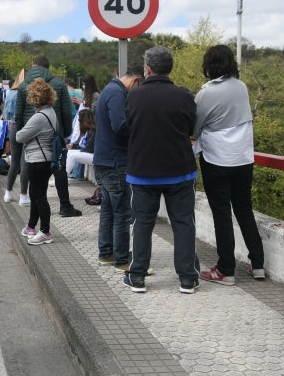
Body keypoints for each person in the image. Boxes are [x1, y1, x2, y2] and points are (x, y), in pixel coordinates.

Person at [124, 46, 200, 294]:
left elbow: (129, 127)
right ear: (170, 68)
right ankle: (187, 278)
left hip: (143, 171)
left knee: (143, 223)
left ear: (147, 69)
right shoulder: (184, 95)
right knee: (183, 223)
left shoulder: (134, 96)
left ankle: (137, 277)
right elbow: (191, 128)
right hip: (179, 170)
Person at [194, 45, 266, 285]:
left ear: (209, 65)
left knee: (222, 212)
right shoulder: (241, 87)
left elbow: (194, 129)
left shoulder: (206, 93)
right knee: (244, 208)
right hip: (243, 158)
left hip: (217, 158)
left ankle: (225, 269)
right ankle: (258, 264)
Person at [93, 66, 143, 273]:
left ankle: (106, 253)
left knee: (108, 211)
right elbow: (120, 126)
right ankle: (122, 259)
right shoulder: (116, 93)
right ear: (136, 80)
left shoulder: (109, 90)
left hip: (104, 160)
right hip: (116, 162)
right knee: (122, 212)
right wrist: (141, 129)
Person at [16, 56, 81, 217]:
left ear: (33, 66)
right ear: (48, 67)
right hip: (55, 132)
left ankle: (33, 209)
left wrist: (23, 132)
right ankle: (65, 206)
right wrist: (66, 133)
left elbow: (18, 114)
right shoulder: (59, 84)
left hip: (31, 135)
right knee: (59, 169)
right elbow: (67, 111)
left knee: (33, 171)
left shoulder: (24, 85)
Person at [15, 79, 60, 245]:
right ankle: (31, 226)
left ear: (35, 97)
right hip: (45, 158)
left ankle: (46, 231)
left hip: (38, 159)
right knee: (35, 194)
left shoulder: (39, 117)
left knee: (39, 196)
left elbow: (19, 136)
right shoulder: (50, 111)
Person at [4, 73, 30, 205]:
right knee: (24, 161)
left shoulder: (9, 93)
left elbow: (6, 114)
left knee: (14, 161)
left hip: (13, 126)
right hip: (26, 126)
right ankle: (23, 195)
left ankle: (8, 192)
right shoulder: (27, 93)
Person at [70, 75, 100, 180]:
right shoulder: (86, 96)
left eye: (84, 84)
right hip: (84, 126)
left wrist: (82, 105)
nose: (83, 86)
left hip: (89, 126)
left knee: (81, 148)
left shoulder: (95, 95)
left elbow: (93, 110)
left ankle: (77, 174)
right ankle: (76, 173)